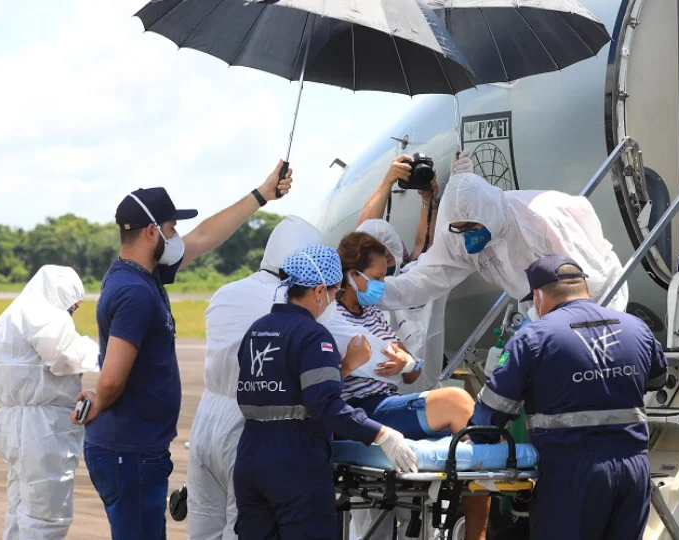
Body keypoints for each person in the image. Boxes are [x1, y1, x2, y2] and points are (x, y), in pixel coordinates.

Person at [70, 161, 292, 539]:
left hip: (137, 450)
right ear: (151, 233)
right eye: (172, 229)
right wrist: (99, 400)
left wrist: (261, 195)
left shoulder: (140, 274)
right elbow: (111, 378)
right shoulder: (136, 293)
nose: (179, 236)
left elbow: (204, 237)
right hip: (131, 452)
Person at [469, 254, 669, 540]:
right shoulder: (637, 328)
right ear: (583, 287)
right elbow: (658, 379)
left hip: (571, 473)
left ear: (538, 296)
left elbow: (493, 410)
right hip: (633, 468)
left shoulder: (532, 338)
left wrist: (477, 446)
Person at [232, 244, 418, 538]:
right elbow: (325, 404)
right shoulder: (314, 335)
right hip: (295, 458)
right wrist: (382, 435)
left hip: (250, 453)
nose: (334, 299)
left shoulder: (257, 330)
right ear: (319, 292)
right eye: (334, 292)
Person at [325, 232, 485, 540]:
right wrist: (383, 364)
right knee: (457, 401)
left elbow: (409, 372)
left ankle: (475, 527)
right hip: (362, 413)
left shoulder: (373, 315)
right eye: (375, 278)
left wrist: (405, 365)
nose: (380, 287)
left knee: (466, 423)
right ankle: (476, 535)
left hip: (388, 402)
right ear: (351, 275)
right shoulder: (332, 318)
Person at [187, 215, 324, 540]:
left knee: (204, 529)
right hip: (250, 425)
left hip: (206, 420)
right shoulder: (297, 307)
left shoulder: (226, 293)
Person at [378, 156, 629, 320]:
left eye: (473, 226)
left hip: (598, 304)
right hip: (536, 308)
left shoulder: (541, 218)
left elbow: (587, 283)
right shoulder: (457, 234)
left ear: (488, 213)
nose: (468, 235)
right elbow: (424, 279)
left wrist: (549, 327)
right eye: (460, 228)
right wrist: (374, 291)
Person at [0, 265, 100, 540]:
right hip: (40, 427)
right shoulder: (43, 313)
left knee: (20, 508)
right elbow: (65, 357)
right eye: (73, 306)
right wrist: (103, 352)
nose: (72, 312)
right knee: (46, 516)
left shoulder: (9, 316)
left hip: (12, 421)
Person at [355, 219, 447, 394]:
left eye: (387, 260)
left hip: (425, 391)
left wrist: (428, 204)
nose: (381, 275)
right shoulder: (349, 307)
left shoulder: (418, 279)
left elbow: (436, 251)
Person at [356, 154, 439, 262]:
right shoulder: (394, 276)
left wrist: (428, 200)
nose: (389, 254)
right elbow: (365, 231)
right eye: (387, 257)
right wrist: (388, 181)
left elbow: (423, 247)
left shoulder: (404, 272)